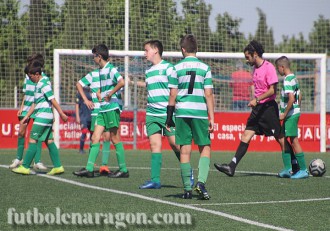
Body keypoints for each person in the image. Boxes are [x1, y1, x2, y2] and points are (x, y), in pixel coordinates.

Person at [214, 40, 283, 177]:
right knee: (246, 134)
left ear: (255, 54)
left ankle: (294, 165)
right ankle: (231, 166)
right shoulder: (254, 69)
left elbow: (272, 91)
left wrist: (256, 99)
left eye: (248, 57)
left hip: (268, 108)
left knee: (280, 137)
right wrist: (256, 101)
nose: (247, 60)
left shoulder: (269, 67)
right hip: (258, 109)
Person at [133, 40, 193, 189]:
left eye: (146, 50)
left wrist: (170, 112)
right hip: (151, 113)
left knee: (175, 144)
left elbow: (174, 90)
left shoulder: (169, 68)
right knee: (155, 145)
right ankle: (155, 180)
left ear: (155, 50)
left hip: (167, 113)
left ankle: (188, 172)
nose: (144, 53)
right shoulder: (148, 71)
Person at [166, 34, 214, 200]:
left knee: (185, 150)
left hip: (182, 112)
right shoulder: (205, 68)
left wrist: (169, 117)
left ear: (183, 49)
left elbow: (172, 94)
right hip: (200, 113)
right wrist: (212, 117)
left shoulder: (175, 68)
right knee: (205, 148)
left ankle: (187, 189)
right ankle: (201, 183)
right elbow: (208, 94)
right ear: (197, 49)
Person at [73, 44, 128, 178]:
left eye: (94, 56)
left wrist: (109, 94)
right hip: (103, 108)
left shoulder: (110, 69)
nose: (93, 59)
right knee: (95, 137)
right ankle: (89, 169)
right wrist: (101, 95)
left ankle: (124, 170)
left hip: (111, 107)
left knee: (114, 137)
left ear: (99, 56)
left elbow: (122, 82)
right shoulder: (101, 70)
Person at [12, 61, 68, 175]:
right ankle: (58, 166)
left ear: (37, 74)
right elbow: (35, 103)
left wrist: (61, 113)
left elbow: (53, 100)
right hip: (45, 117)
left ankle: (25, 166)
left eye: (31, 76)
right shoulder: (37, 85)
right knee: (49, 140)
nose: (30, 79)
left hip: (43, 117)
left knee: (33, 140)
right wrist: (27, 116)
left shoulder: (44, 84)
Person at [9, 54, 47, 171]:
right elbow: (25, 93)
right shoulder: (27, 77)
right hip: (26, 108)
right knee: (21, 132)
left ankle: (37, 161)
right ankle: (18, 158)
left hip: (38, 108)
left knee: (37, 135)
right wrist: (21, 107)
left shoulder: (42, 77)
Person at [275, 56, 308, 179]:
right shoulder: (294, 77)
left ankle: (303, 170)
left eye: (278, 68)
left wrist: (285, 113)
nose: (278, 71)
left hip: (290, 115)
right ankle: (288, 169)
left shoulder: (287, 79)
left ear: (282, 67)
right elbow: (300, 95)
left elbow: (291, 99)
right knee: (282, 138)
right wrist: (298, 107)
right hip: (293, 113)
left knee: (294, 141)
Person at [76, 69, 112, 175]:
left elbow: (119, 86)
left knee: (107, 137)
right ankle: (91, 165)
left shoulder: (111, 73)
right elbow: (78, 84)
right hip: (96, 111)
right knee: (94, 138)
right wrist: (86, 100)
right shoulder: (93, 74)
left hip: (107, 109)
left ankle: (104, 166)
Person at [75, 87, 92, 154]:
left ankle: (92, 149)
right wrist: (77, 117)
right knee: (84, 132)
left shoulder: (92, 93)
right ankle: (81, 149)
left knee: (93, 133)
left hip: (91, 116)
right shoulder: (80, 94)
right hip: (83, 117)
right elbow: (77, 105)